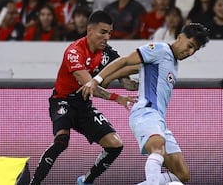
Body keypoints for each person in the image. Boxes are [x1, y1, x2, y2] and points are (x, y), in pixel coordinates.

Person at [80, 23, 210, 185]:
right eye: (190, 46)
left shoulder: (172, 63)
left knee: (182, 175)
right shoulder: (160, 49)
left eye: (194, 50)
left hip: (159, 120)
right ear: (180, 37)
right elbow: (126, 60)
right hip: (146, 113)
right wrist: (96, 80)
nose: (190, 52)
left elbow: (134, 68)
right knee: (157, 148)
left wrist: (120, 80)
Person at [28, 10, 137, 185]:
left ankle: (86, 181)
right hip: (62, 101)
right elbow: (90, 86)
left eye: (109, 33)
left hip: (83, 105)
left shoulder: (108, 54)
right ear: (89, 31)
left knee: (115, 145)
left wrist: (145, 79)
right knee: (61, 141)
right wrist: (118, 98)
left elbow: (127, 83)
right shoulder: (74, 52)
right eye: (103, 32)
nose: (107, 37)